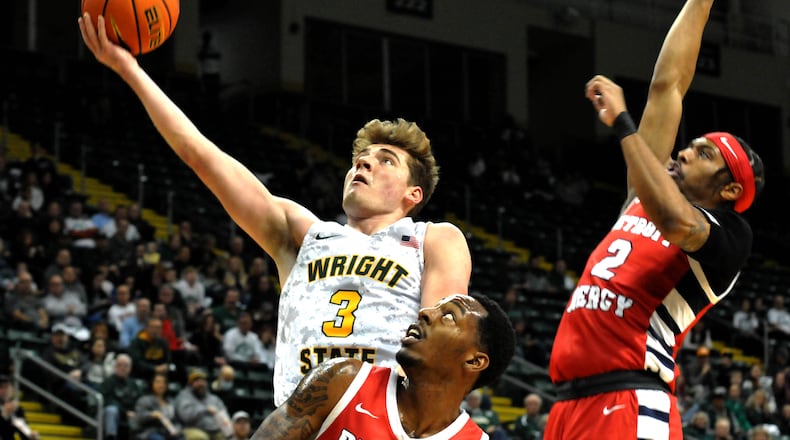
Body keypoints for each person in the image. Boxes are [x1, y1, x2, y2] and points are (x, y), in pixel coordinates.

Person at [78, 13, 472, 408]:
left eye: (385, 160)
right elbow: (201, 155)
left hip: (385, 423)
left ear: (414, 193)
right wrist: (129, 69)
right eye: (360, 159)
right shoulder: (304, 235)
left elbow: (438, 349)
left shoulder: (433, 238)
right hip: (300, 426)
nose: (363, 165)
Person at [544, 0, 766, 439]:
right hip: (569, 404)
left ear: (730, 190)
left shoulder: (729, 236)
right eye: (691, 144)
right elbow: (669, 87)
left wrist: (626, 125)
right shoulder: (640, 199)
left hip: (631, 399)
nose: (684, 151)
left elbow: (677, 222)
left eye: (704, 154)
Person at [250, 293, 515, 439]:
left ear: (474, 360)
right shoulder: (343, 381)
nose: (425, 312)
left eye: (448, 315)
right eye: (433, 307)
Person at [133, 373, 183, 440]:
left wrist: (177, 429)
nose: (161, 385)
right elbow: (139, 417)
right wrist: (152, 415)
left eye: (163, 382)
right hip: (151, 432)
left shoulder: (171, 401)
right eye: (158, 382)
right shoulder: (144, 400)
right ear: (152, 384)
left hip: (169, 432)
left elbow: (177, 420)